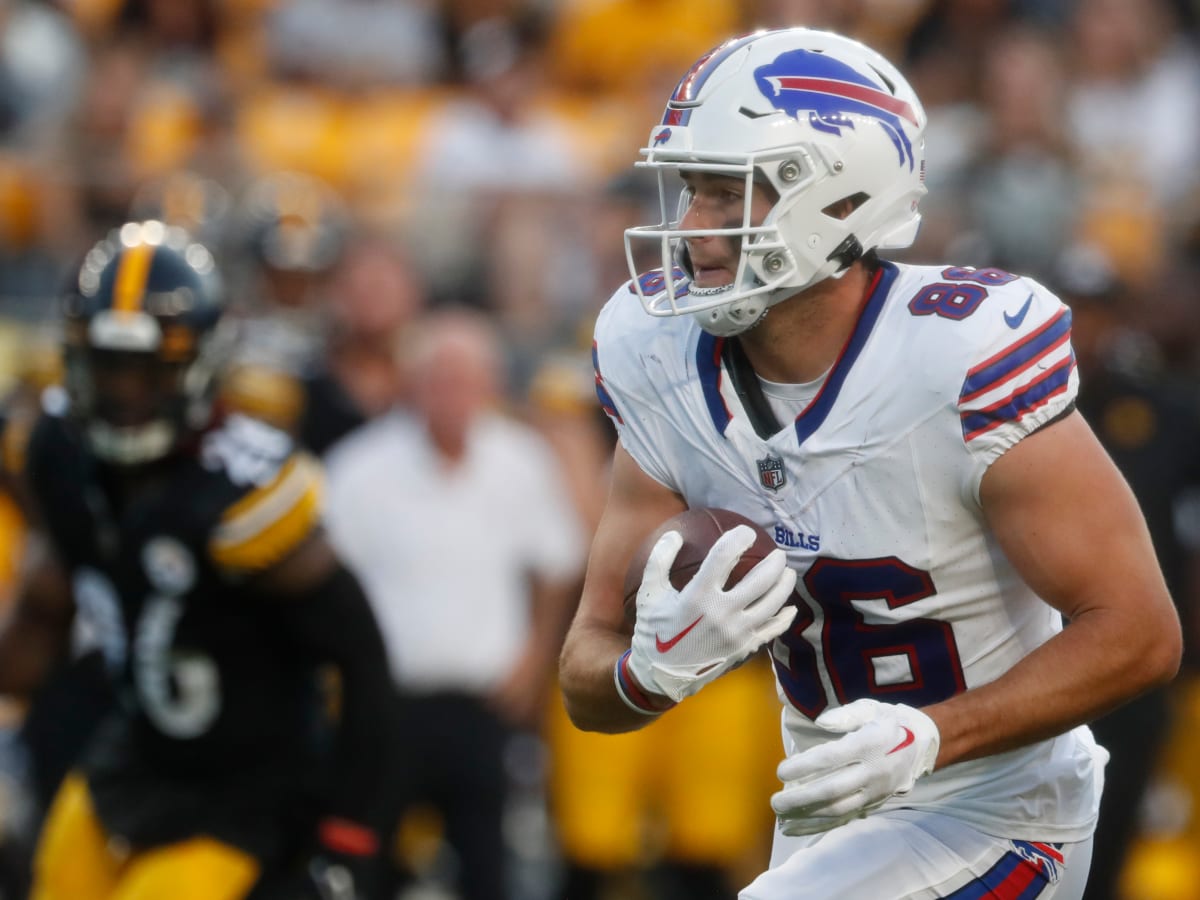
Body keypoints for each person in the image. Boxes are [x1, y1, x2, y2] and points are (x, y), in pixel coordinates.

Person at [558, 26, 1183, 899]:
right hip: (827, 810)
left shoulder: (955, 355)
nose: (694, 229)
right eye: (691, 190)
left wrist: (931, 736)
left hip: (997, 810)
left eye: (729, 193)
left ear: (841, 201)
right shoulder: (656, 352)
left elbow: (1141, 635)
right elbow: (585, 674)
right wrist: (648, 672)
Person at [0, 219, 396, 900]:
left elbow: (363, 664)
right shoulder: (56, 451)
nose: (124, 394)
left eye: (149, 371)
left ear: (203, 364)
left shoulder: (240, 494)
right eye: (108, 367)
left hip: (246, 791)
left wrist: (347, 835)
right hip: (134, 757)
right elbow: (51, 599)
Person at [322, 308, 586, 900]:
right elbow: (327, 587)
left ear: (491, 385)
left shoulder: (520, 461)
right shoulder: (359, 470)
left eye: (467, 377)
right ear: (411, 382)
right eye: (439, 377)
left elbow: (557, 565)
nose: (453, 392)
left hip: (483, 706)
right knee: (368, 867)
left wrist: (533, 662)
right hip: (389, 706)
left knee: (487, 868)